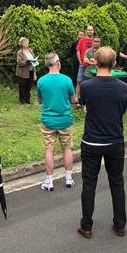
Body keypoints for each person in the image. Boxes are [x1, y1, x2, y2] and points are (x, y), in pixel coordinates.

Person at [77, 47, 127, 239]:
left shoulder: (88, 86)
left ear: (95, 63)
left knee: (89, 183)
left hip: (92, 140)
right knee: (117, 182)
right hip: (115, 140)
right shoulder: (122, 87)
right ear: (114, 64)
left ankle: (87, 225)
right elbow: (121, 109)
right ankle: (120, 224)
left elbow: (85, 106)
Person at [36, 53, 75, 191]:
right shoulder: (67, 80)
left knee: (49, 149)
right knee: (67, 148)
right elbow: (72, 100)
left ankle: (49, 181)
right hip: (65, 119)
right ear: (57, 62)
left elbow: (40, 100)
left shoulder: (41, 81)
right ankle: (69, 178)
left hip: (48, 120)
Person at [15, 37, 39, 104]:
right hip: (22, 73)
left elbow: (33, 61)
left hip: (31, 71)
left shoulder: (30, 50)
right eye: (24, 42)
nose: (26, 43)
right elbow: (19, 63)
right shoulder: (20, 52)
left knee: (29, 86)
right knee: (22, 87)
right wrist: (27, 61)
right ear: (21, 44)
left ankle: (27, 100)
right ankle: (22, 101)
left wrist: (35, 72)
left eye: (26, 42)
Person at [75, 25, 94, 104]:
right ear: (86, 31)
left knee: (91, 83)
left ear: (93, 31)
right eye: (88, 30)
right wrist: (80, 61)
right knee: (79, 81)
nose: (90, 31)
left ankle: (87, 99)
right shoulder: (82, 40)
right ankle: (76, 98)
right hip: (83, 64)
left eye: (91, 30)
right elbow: (78, 51)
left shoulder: (95, 41)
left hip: (92, 65)